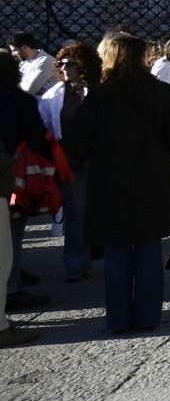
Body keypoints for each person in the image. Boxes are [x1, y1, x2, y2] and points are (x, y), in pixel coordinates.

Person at [62, 36, 170, 334]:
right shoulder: (161, 92)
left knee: (117, 250)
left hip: (110, 179)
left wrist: (88, 158)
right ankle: (147, 315)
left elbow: (77, 141)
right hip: (152, 177)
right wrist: (161, 153)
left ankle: (118, 317)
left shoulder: (99, 96)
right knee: (148, 246)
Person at [0, 51, 52, 341]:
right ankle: (11, 288)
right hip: (11, 177)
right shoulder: (18, 100)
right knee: (7, 244)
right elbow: (36, 137)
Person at [40, 43, 101, 281]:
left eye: (70, 64)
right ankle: (75, 264)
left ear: (83, 65)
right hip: (72, 163)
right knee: (77, 213)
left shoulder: (96, 92)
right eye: (62, 64)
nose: (64, 69)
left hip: (99, 159)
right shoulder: (53, 96)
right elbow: (46, 127)